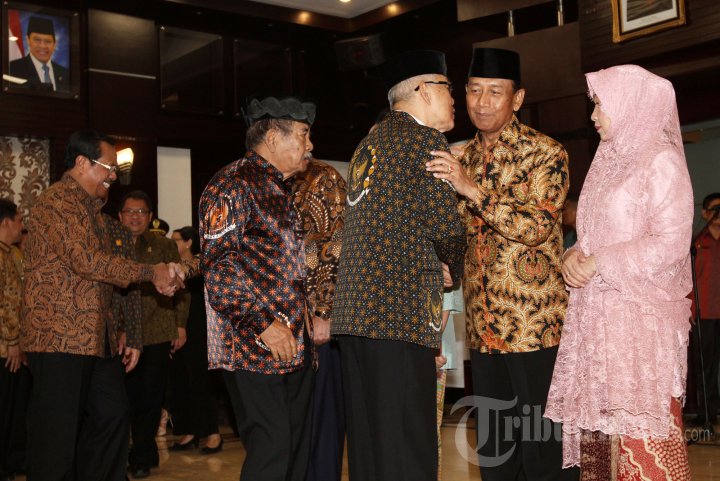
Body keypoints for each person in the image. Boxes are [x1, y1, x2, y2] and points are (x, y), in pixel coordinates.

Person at [426, 47, 575, 481]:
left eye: (495, 91)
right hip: (484, 327)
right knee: (495, 451)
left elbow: (536, 227)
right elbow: (457, 232)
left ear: (518, 98)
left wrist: (470, 188)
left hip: (534, 327)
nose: (483, 102)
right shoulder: (462, 156)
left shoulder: (544, 152)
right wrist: (445, 263)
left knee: (544, 447)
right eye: (474, 90)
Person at [545, 64, 693, 480]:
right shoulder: (609, 160)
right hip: (598, 323)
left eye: (599, 104)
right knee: (600, 451)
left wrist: (600, 262)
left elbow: (671, 242)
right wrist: (573, 255)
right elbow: (593, 235)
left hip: (638, 329)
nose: (593, 115)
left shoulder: (661, 160)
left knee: (641, 445)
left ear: (631, 103)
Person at [331, 49, 466, 481]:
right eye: (448, 88)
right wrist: (453, 268)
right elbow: (445, 225)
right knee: (408, 444)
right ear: (424, 90)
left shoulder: (367, 144)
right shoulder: (424, 140)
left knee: (371, 442)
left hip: (355, 316)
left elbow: (391, 225)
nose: (454, 99)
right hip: (398, 313)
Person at [20, 130, 180, 481]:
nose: (113, 176)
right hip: (59, 337)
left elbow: (107, 278)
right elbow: (88, 262)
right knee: (56, 437)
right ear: (82, 163)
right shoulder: (58, 201)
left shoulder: (94, 211)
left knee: (113, 415)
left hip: (95, 338)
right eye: (108, 167)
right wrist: (150, 272)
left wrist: (124, 331)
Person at [199, 95, 316, 481]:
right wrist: (264, 323)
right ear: (272, 137)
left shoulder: (280, 188)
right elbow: (218, 267)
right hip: (252, 346)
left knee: (294, 451)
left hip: (294, 343)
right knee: (272, 451)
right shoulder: (234, 184)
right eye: (303, 134)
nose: (310, 144)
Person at [119, 190, 189, 479]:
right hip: (120, 335)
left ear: (149, 217)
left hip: (157, 330)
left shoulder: (163, 246)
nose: (135, 217)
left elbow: (180, 286)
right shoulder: (111, 245)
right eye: (129, 211)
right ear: (120, 216)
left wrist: (180, 325)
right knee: (122, 400)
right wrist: (120, 329)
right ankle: (124, 454)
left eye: (141, 212)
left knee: (150, 397)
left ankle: (142, 457)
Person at [291, 156, 346, 481]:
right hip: (283, 322)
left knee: (321, 421)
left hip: (316, 322)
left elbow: (334, 243)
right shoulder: (270, 181)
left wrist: (324, 310)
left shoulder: (321, 178)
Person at [168, 226, 223, 454]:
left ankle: (213, 433)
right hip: (179, 328)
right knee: (182, 380)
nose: (172, 244)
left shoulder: (201, 265)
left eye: (176, 240)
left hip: (199, 328)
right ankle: (190, 431)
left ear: (189, 242)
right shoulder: (175, 267)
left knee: (200, 379)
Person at [689, 192, 720, 427]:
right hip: (705, 314)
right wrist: (690, 310)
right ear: (705, 213)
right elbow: (688, 281)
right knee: (705, 367)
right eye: (715, 208)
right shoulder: (697, 243)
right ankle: (706, 414)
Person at [0, 199, 24, 481]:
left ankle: (8, 463)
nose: (21, 226)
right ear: (6, 221)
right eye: (19, 219)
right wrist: (13, 341)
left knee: (11, 410)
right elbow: (3, 305)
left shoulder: (11, 254)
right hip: (4, 347)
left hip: (10, 345)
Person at [9, 16, 69, 92]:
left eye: (48, 41)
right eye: (37, 40)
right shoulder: (12, 69)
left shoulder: (65, 74)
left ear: (55, 44)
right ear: (28, 40)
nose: (42, 46)